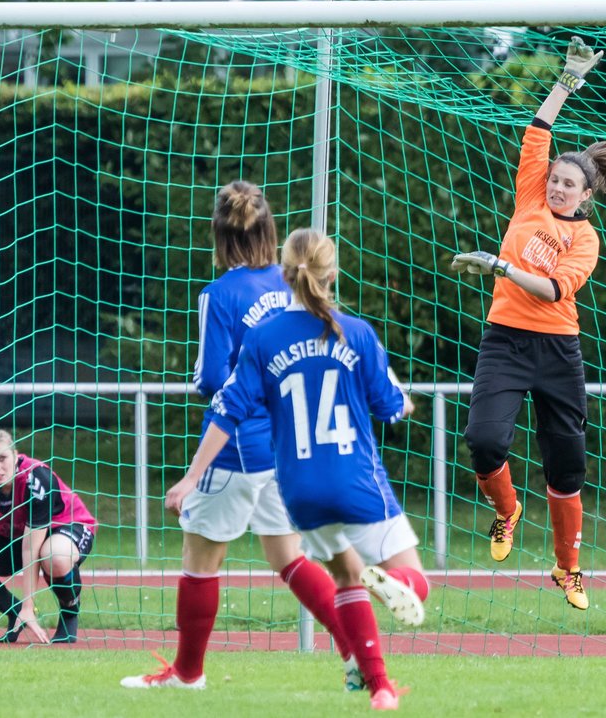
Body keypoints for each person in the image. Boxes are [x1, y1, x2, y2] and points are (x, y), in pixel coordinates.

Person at [166, 227, 425, 711]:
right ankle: (396, 588)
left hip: (300, 491)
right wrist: (404, 403)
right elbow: (390, 407)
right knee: (414, 579)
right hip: (355, 481)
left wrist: (190, 476)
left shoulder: (262, 338)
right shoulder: (356, 332)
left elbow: (225, 407)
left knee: (344, 578)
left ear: (283, 274)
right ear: (333, 273)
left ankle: (381, 687)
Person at [121, 181, 358, 690]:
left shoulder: (219, 294)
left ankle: (187, 676)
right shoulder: (292, 282)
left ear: (218, 236)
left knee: (200, 560)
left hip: (235, 445)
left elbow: (210, 378)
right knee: (286, 557)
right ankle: (355, 648)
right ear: (270, 232)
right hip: (287, 443)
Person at [450, 37, 606, 611]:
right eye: (554, 178)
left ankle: (568, 569)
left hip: (559, 349)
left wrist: (500, 264)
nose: (557, 186)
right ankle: (506, 511)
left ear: (588, 194)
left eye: (569, 183)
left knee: (568, 467)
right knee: (484, 442)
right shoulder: (529, 198)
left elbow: (554, 288)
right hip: (505, 341)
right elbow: (538, 134)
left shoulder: (585, 238)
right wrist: (566, 82)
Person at [0, 428, 97, 644]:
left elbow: (31, 548)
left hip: (65, 528)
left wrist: (29, 606)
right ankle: (13, 612)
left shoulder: (36, 478)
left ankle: (69, 615)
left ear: (15, 455)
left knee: (54, 555)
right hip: (15, 535)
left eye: (2, 458)